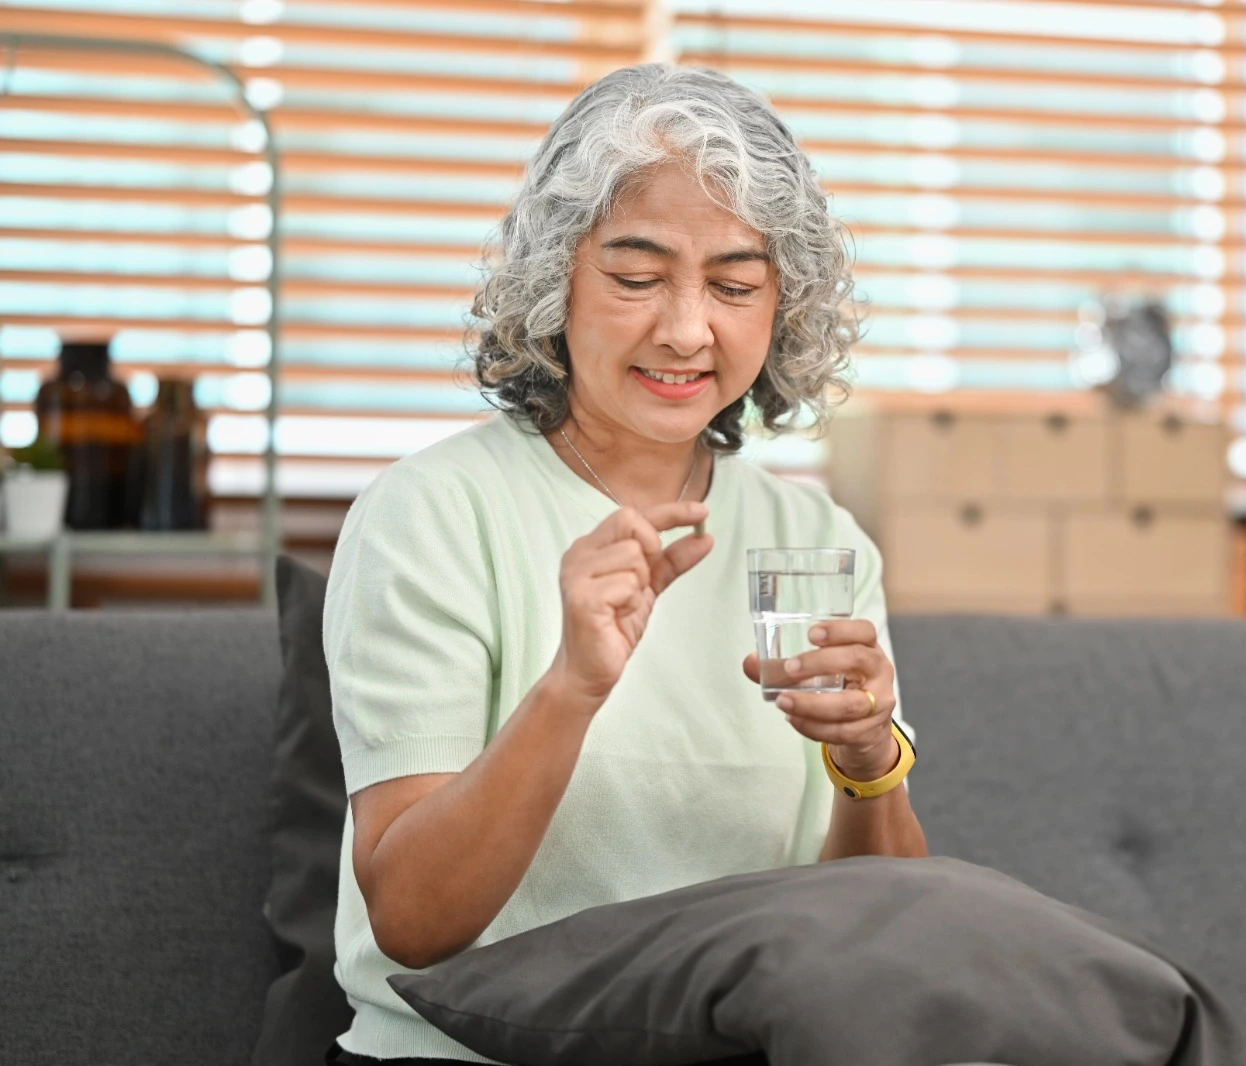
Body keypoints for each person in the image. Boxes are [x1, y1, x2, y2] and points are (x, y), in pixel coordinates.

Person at [322, 63, 928, 1064]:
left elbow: (878, 942)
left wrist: (870, 765)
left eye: (733, 285)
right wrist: (572, 686)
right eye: (637, 277)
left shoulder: (819, 546)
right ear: (554, 277)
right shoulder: (430, 514)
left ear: (783, 304)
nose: (686, 329)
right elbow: (413, 921)